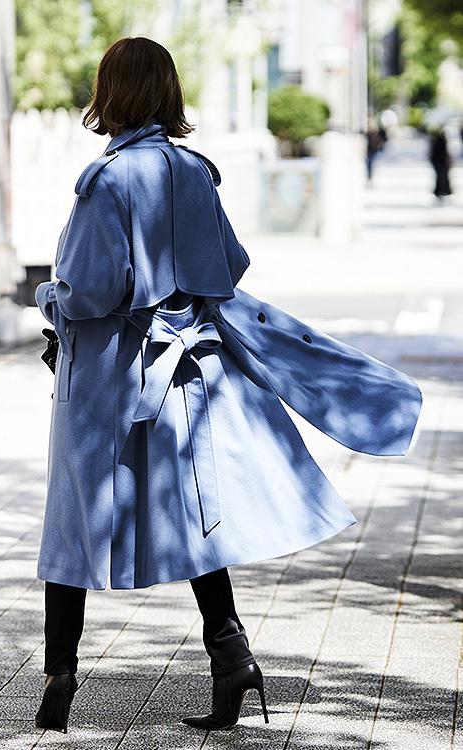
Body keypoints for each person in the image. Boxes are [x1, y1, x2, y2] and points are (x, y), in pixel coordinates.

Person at [33, 37, 422, 734]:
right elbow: (230, 263)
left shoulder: (106, 181)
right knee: (191, 518)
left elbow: (88, 292)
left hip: (109, 377)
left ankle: (59, 676)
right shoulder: (193, 170)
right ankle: (232, 657)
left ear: (110, 92)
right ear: (168, 91)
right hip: (190, 374)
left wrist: (47, 298)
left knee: (73, 519)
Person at [429, 128, 452, 200]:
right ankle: (441, 191)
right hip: (440, 162)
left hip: (439, 161)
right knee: (441, 177)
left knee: (442, 177)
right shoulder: (438, 140)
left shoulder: (435, 139)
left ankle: (442, 191)